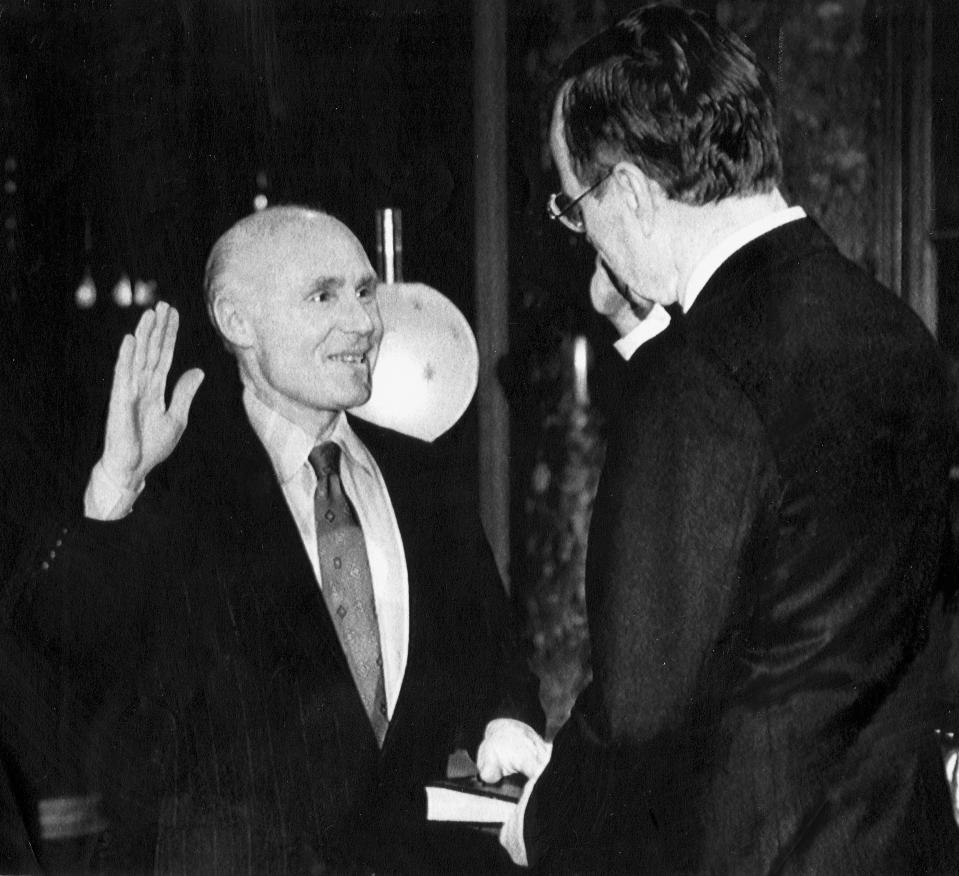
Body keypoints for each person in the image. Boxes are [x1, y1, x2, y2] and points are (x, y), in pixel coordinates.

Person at [493, 5, 959, 873]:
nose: (582, 234)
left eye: (574, 205)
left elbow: (642, 707)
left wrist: (544, 818)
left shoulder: (698, 374)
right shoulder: (893, 330)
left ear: (627, 191)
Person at [2, 205, 547, 873]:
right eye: (324, 295)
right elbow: (53, 655)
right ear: (238, 322)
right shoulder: (175, 491)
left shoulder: (427, 478)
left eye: (365, 291)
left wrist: (508, 728)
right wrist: (113, 492)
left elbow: (499, 671)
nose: (364, 322)